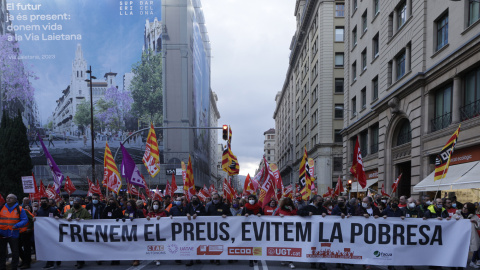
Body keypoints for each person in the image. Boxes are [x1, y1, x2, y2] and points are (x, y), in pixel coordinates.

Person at [297, 195, 327, 270]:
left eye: (321, 200)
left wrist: (325, 214)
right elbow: (299, 212)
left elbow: (329, 216)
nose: (321, 202)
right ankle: (313, 262)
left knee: (321, 247)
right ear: (314, 201)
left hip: (321, 231)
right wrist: (307, 213)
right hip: (311, 231)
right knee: (313, 246)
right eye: (319, 200)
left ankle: (322, 263)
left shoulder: (322, 208)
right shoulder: (308, 207)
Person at [0, 194, 28, 270]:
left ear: (15, 200)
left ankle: (14, 267)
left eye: (10, 198)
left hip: (14, 234)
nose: (8, 199)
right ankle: (2, 267)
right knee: (1, 252)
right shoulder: (1, 207)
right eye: (7, 198)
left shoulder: (20, 209)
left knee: (15, 252)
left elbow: (25, 220)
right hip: (2, 234)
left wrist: (17, 225)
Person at [65, 197, 91, 269]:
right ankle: (79, 261)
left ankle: (80, 262)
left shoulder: (84, 211)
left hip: (82, 232)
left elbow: (89, 218)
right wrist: (67, 219)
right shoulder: (70, 211)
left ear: (80, 204)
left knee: (80, 246)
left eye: (77, 203)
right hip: (73, 232)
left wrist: (82, 220)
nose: (75, 204)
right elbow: (64, 217)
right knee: (76, 247)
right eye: (74, 203)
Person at [34, 197, 60, 269]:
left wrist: (57, 217)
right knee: (47, 248)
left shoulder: (53, 209)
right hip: (44, 232)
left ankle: (51, 263)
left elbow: (59, 218)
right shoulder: (39, 211)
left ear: (48, 202)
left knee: (52, 247)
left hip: (53, 232)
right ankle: (52, 261)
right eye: (42, 202)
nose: (43, 203)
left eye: (44, 201)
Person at [205, 193, 231, 265]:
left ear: (219, 199)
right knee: (211, 243)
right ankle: (212, 257)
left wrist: (226, 215)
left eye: (216, 199)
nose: (215, 200)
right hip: (211, 228)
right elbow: (205, 215)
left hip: (221, 229)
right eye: (214, 199)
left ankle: (218, 259)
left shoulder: (224, 206)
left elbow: (230, 215)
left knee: (219, 243)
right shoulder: (208, 205)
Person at [275, 197, 297, 269]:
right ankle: (283, 258)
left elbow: (298, 217)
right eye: (286, 204)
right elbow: (273, 217)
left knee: (291, 246)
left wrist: (291, 211)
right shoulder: (279, 209)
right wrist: (279, 216)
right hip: (281, 231)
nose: (287, 205)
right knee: (283, 245)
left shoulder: (294, 209)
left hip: (291, 231)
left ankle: (291, 262)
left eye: (289, 204)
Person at [185, 195, 205, 267]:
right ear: (191, 199)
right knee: (190, 244)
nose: (194, 199)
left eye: (196, 198)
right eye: (193, 198)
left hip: (198, 229)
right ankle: (190, 259)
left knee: (197, 243)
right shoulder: (188, 206)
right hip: (189, 229)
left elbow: (204, 214)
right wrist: (186, 214)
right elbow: (184, 213)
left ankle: (197, 258)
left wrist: (197, 214)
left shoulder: (201, 206)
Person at [18, 205, 34, 269]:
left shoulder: (24, 211)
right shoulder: (12, 212)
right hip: (18, 232)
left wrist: (29, 228)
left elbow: (32, 219)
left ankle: (27, 263)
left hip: (26, 232)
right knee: (17, 247)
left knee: (26, 248)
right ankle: (24, 260)